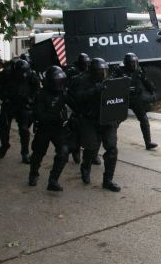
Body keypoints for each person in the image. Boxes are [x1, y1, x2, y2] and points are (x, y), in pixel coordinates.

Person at [68, 57, 122, 191]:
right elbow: (77, 98)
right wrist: (94, 90)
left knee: (112, 149)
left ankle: (108, 180)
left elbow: (118, 101)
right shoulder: (82, 80)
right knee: (91, 148)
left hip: (108, 120)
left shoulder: (109, 81)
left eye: (104, 71)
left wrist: (117, 119)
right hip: (90, 119)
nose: (102, 74)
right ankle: (85, 168)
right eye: (99, 71)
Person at [28, 66, 70, 192]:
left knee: (63, 152)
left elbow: (74, 102)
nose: (59, 84)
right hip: (44, 128)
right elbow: (39, 115)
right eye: (57, 81)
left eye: (61, 81)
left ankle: (53, 180)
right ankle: (33, 174)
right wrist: (57, 117)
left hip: (58, 129)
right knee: (38, 153)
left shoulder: (62, 93)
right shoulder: (41, 94)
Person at [0, 59, 40, 164]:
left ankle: (25, 153)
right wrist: (3, 96)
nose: (22, 76)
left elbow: (36, 87)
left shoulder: (30, 74)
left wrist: (31, 98)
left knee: (24, 129)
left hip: (23, 104)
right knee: (4, 127)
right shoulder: (7, 73)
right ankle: (5, 145)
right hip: (9, 103)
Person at [113, 53, 158, 150]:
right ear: (126, 63)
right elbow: (111, 84)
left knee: (144, 119)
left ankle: (148, 142)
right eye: (131, 63)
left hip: (136, 98)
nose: (133, 65)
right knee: (116, 121)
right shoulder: (119, 70)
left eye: (135, 62)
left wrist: (153, 92)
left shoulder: (139, 70)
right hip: (123, 98)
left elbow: (145, 81)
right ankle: (111, 142)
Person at [65, 53, 100, 165]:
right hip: (77, 104)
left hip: (90, 106)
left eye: (87, 63)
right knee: (76, 130)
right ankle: (75, 150)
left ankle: (93, 155)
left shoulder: (92, 74)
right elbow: (70, 90)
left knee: (94, 134)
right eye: (84, 63)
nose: (86, 65)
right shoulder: (73, 72)